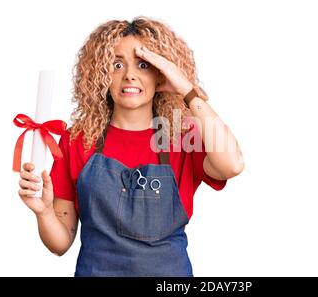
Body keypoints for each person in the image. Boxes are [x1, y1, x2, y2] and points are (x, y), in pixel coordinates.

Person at [17, 17, 244, 277]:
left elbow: (233, 164)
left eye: (143, 64)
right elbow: (60, 243)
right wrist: (44, 212)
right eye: (116, 64)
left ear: (161, 73)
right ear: (102, 75)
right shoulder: (77, 140)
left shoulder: (183, 136)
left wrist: (187, 90)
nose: (130, 75)